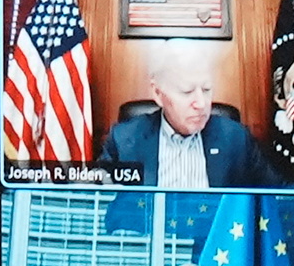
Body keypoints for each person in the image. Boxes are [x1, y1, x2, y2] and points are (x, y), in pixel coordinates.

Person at [97, 43, 280, 188]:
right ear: (158, 93)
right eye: (186, 91)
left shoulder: (236, 139)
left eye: (207, 89)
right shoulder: (124, 140)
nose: (201, 104)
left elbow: (281, 191)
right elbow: (94, 199)